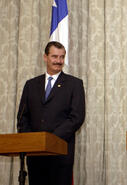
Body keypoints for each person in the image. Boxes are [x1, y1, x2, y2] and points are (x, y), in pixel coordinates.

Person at [17, 41, 85, 185]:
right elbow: (23, 116)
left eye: (62, 57)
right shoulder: (31, 85)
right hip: (35, 154)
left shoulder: (75, 84)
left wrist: (51, 139)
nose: (58, 61)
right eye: (54, 57)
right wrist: (32, 140)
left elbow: (77, 117)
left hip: (60, 153)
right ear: (45, 57)